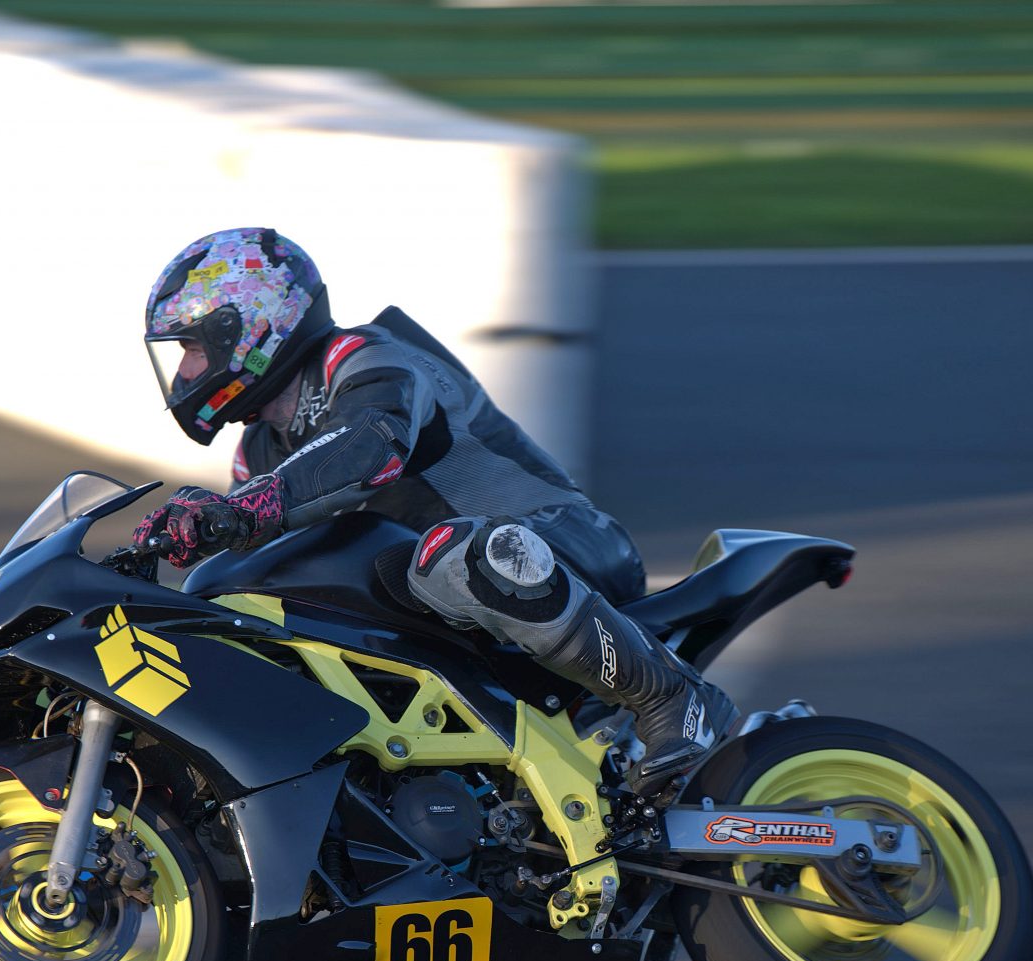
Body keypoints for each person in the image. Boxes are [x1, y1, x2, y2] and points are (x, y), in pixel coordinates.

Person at [134, 226, 737, 798]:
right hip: (442, 610)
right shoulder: (257, 453)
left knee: (447, 556)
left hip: (557, 545)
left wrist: (244, 509)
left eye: (189, 347)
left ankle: (672, 696)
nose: (183, 372)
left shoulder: (366, 355)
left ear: (247, 328)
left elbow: (369, 447)